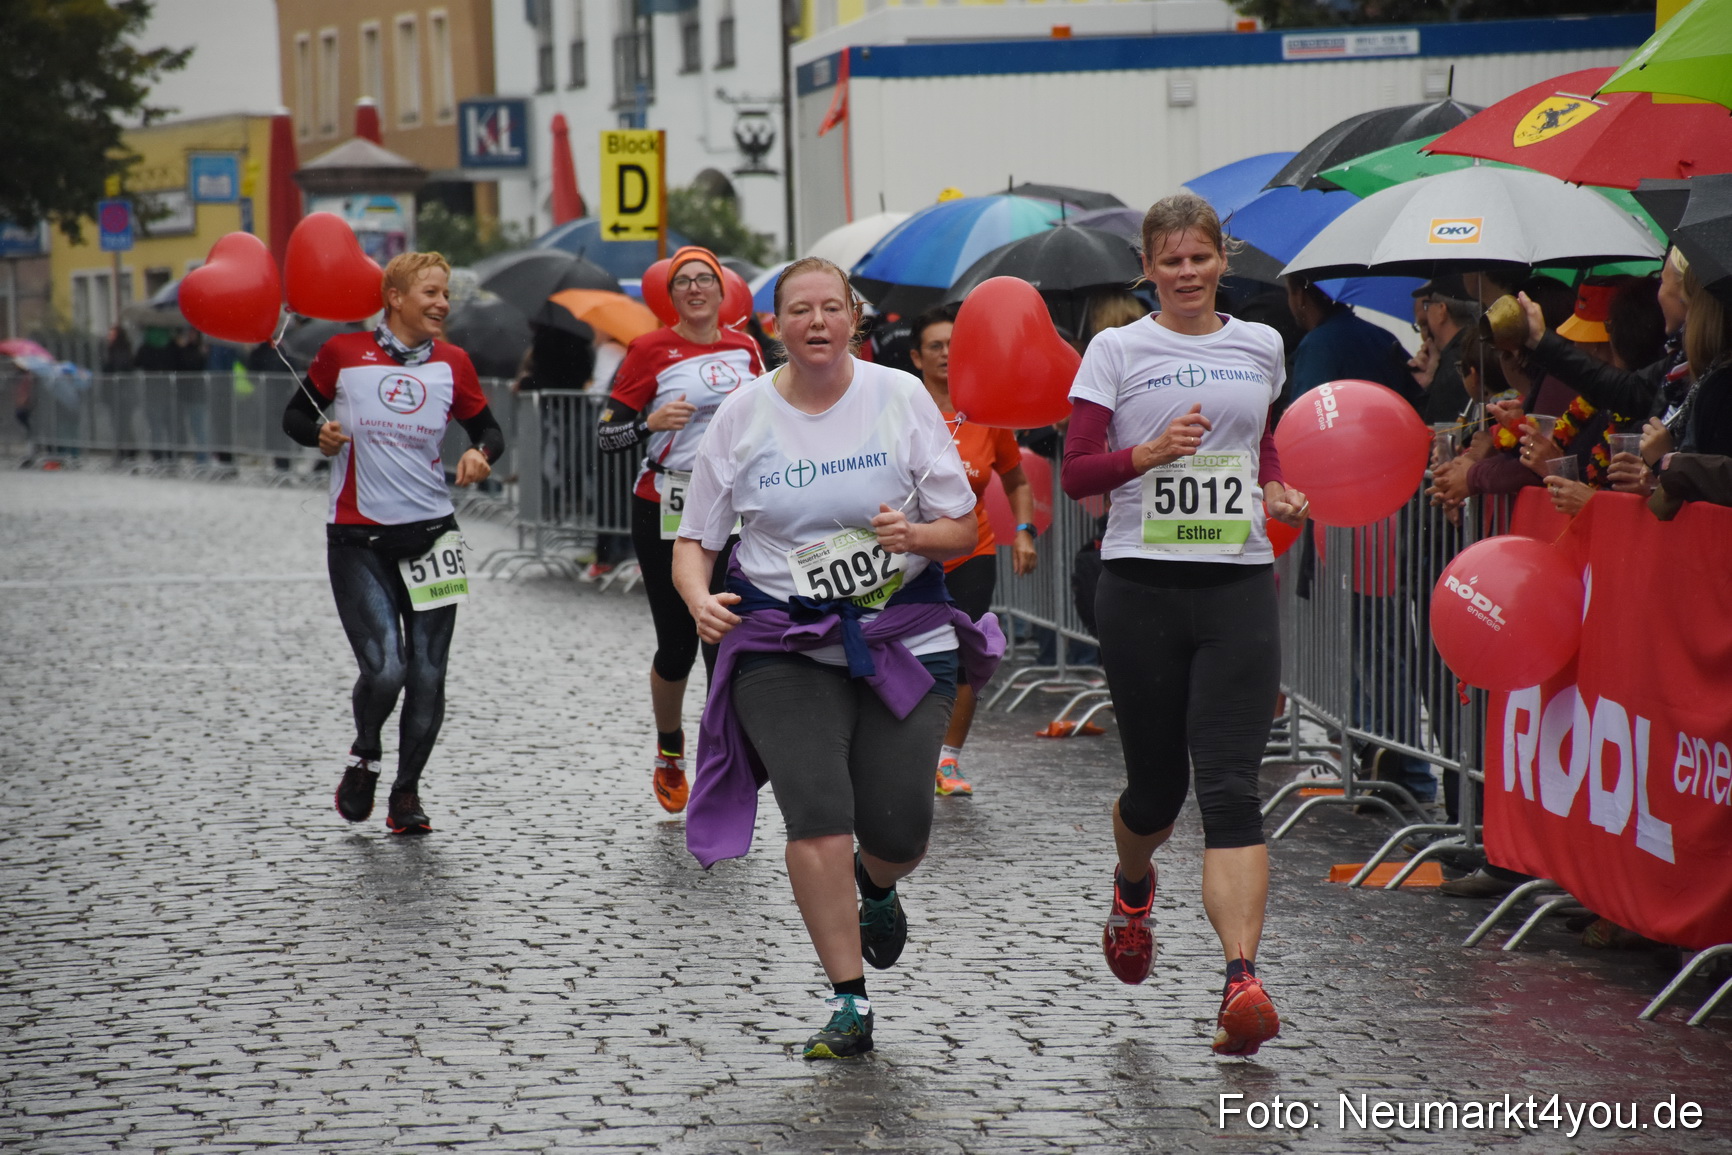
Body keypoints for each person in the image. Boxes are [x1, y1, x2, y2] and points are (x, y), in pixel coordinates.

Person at [673, 257, 1002, 1060]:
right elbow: (696, 541)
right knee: (816, 810)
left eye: (831, 308)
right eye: (798, 311)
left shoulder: (899, 396)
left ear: (853, 318)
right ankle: (848, 999)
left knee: (901, 826)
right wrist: (697, 597)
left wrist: (915, 536)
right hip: (782, 639)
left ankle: (878, 883)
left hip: (904, 634)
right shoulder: (743, 416)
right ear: (774, 325)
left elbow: (962, 528)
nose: (816, 323)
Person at [1061, 193, 1308, 1057]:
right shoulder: (1118, 348)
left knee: (1233, 785)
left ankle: (1242, 978)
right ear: (1149, 269)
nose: (1188, 273)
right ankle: (1134, 886)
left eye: (1200, 258)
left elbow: (1260, 443)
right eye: (1171, 261)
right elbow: (1076, 471)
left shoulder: (1262, 343)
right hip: (1141, 588)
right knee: (1157, 790)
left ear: (1221, 261)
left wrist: (1276, 488)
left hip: (1237, 585)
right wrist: (1147, 454)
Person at [281, 251, 505, 835]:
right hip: (358, 537)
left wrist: (481, 453)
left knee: (429, 673)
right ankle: (365, 756)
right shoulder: (342, 354)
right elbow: (294, 416)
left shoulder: (454, 363)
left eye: (446, 294)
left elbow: (489, 428)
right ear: (396, 298)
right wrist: (320, 434)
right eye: (430, 292)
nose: (441, 304)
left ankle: (406, 793)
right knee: (386, 670)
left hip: (433, 534)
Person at [598, 245, 764, 813]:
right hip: (664, 506)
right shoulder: (649, 349)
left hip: (731, 509)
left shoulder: (745, 348)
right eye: (684, 281)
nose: (696, 288)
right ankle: (671, 749)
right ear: (671, 297)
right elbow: (605, 436)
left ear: (722, 291)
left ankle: (722, 767)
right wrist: (647, 423)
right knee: (678, 645)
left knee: (727, 641)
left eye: (705, 279)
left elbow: (775, 417)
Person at [906, 301, 1037, 796]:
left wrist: (1024, 529)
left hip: (972, 549)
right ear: (917, 357)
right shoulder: (901, 409)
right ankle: (905, 744)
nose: (945, 354)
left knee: (964, 654)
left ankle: (947, 760)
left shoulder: (984, 413)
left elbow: (1017, 478)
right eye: (935, 346)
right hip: (911, 553)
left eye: (953, 346)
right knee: (910, 652)